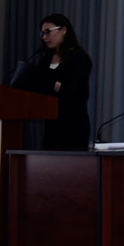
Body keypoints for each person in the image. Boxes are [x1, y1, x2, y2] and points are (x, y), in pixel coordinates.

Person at [35, 13, 91, 150]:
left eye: (48, 31)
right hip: (51, 124)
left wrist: (54, 85)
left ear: (64, 30)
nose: (45, 37)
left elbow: (80, 93)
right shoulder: (45, 59)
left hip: (73, 124)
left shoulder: (78, 57)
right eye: (42, 33)